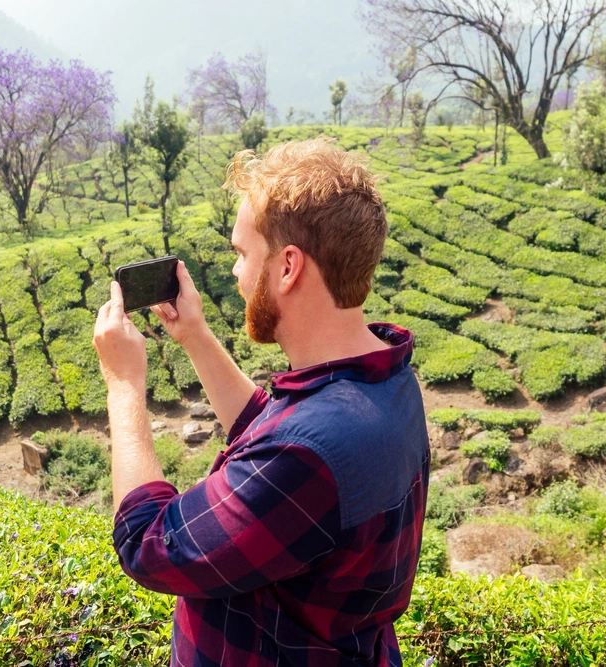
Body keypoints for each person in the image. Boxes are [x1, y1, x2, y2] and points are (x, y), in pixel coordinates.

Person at [92, 137, 430, 666]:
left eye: (243, 254)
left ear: (288, 267)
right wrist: (196, 337)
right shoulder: (386, 382)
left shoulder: (308, 452)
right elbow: (268, 435)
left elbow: (148, 543)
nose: (235, 274)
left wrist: (123, 385)